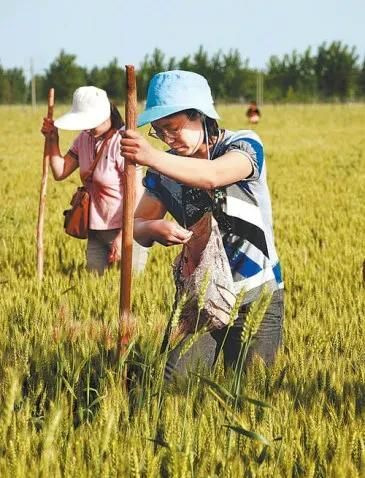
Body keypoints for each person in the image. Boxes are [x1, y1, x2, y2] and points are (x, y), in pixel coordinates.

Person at [120, 70, 284, 381]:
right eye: (159, 132)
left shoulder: (244, 145)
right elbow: (137, 225)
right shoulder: (163, 169)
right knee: (172, 382)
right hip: (201, 294)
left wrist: (151, 156)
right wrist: (156, 229)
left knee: (250, 389)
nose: (168, 139)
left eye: (173, 128)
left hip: (256, 294)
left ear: (200, 116)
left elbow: (213, 175)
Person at [41, 86, 148, 275]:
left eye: (91, 123)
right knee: (93, 283)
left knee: (129, 292)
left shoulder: (123, 143)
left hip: (127, 231)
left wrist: (124, 236)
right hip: (96, 230)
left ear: (107, 115)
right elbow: (60, 171)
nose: (88, 128)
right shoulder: (84, 139)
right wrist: (52, 140)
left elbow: (138, 193)